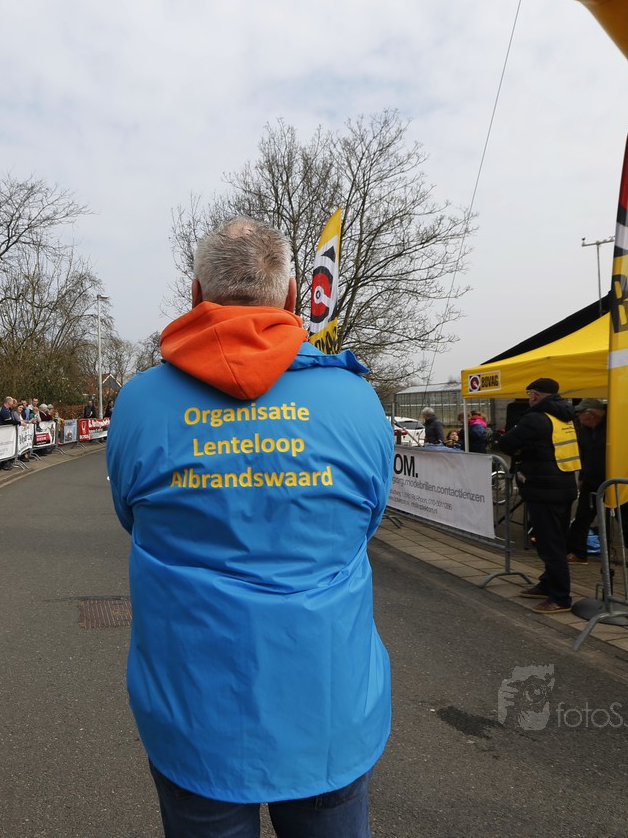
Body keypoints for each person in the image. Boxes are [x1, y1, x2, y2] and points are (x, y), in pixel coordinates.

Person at [107, 216, 393, 837]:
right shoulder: (356, 399)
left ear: (195, 294)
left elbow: (132, 516)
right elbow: (367, 520)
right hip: (329, 701)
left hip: (194, 707)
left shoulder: (138, 402)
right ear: (290, 295)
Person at [497, 377, 581, 614]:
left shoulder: (535, 419)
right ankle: (547, 584)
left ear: (534, 395)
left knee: (549, 544)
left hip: (543, 488)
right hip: (564, 484)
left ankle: (560, 597)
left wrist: (524, 449)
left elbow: (506, 443)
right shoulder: (567, 417)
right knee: (557, 540)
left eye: (529, 394)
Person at [566, 398, 628, 569]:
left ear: (591, 414)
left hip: (614, 479)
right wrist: (582, 477)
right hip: (591, 479)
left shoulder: (613, 428)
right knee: (582, 517)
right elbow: (585, 455)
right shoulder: (585, 430)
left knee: (625, 517)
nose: (578, 417)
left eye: (580, 413)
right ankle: (578, 552)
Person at [0, 397, 17, 470]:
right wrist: (19, 423)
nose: (12, 403)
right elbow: (8, 421)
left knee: (3, 447)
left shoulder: (7, 410)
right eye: (12, 402)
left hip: (4, 431)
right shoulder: (4, 410)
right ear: (8, 402)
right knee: (2, 447)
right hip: (1, 431)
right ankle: (3, 464)